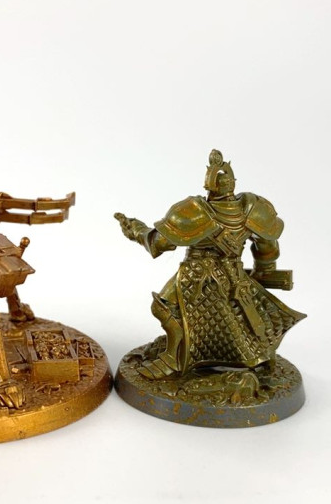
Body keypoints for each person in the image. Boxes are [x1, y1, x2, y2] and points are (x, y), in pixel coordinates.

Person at [115, 150, 305, 380]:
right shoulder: (252, 208)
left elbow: (158, 243)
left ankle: (173, 358)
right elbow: (268, 246)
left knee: (162, 307)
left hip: (196, 275)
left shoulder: (193, 211)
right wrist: (264, 270)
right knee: (240, 319)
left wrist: (136, 229)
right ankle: (248, 357)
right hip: (235, 277)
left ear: (209, 184)